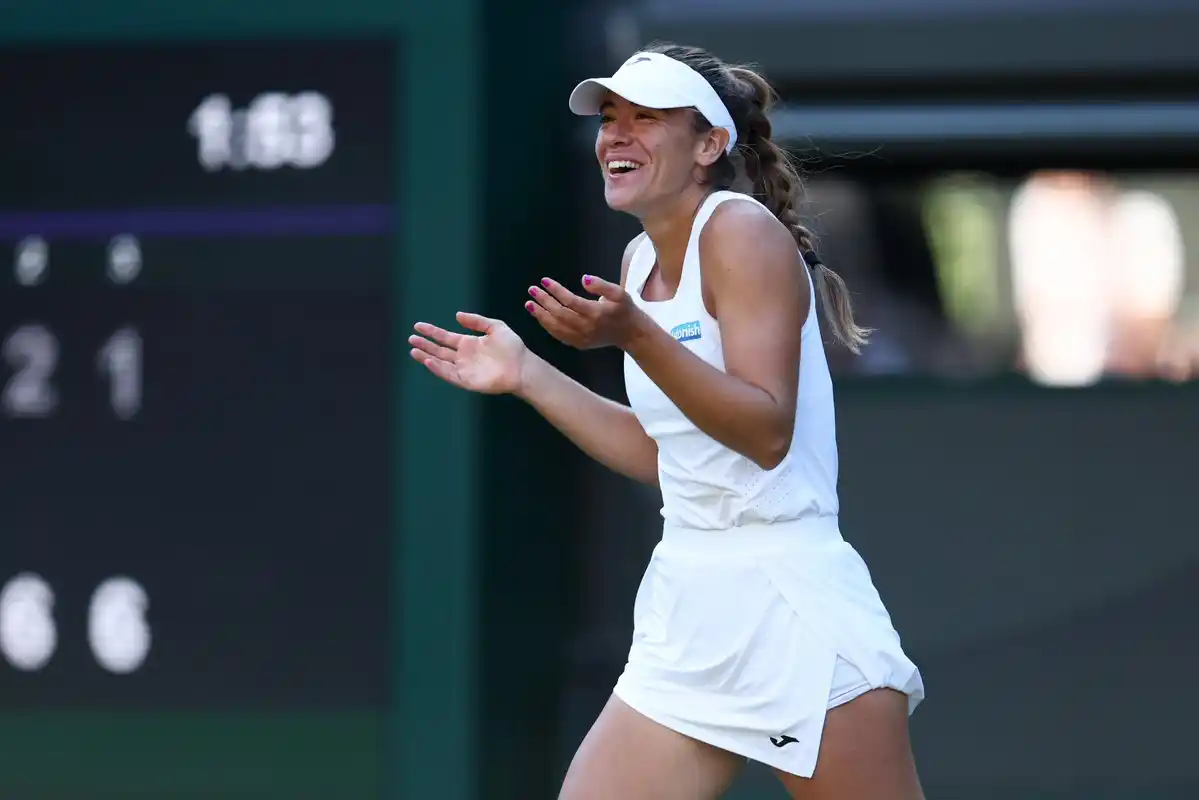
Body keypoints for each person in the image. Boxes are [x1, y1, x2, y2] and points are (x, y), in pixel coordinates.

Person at [409, 42, 926, 800]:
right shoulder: (636, 263)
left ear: (709, 145)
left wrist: (636, 336)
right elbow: (671, 459)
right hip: (687, 606)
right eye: (609, 118)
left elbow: (765, 433)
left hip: (791, 604)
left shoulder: (740, 231)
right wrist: (528, 375)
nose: (616, 135)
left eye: (646, 117)